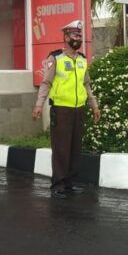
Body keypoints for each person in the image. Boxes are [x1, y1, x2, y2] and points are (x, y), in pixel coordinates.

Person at [32, 20, 101, 199]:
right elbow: (46, 83)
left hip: (78, 109)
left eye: (79, 35)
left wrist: (94, 105)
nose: (77, 38)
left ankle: (69, 183)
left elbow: (86, 84)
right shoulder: (55, 58)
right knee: (61, 148)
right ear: (66, 37)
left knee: (74, 148)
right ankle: (58, 185)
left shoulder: (82, 60)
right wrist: (39, 105)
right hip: (61, 109)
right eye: (74, 35)